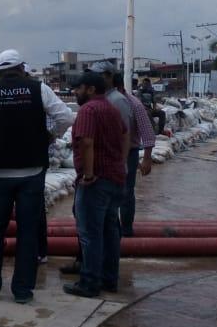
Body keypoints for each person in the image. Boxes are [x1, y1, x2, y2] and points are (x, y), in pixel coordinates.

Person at [0, 50, 73, 303]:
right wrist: (50, 137)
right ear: (21, 68)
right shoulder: (38, 89)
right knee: (28, 232)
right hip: (32, 172)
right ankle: (22, 290)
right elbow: (65, 117)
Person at [64, 71, 127, 299]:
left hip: (96, 181)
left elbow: (87, 142)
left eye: (78, 88)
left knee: (90, 233)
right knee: (110, 232)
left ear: (90, 89)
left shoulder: (88, 110)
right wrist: (119, 162)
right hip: (115, 177)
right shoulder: (111, 108)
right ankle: (110, 279)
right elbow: (125, 134)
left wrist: (88, 175)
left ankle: (89, 282)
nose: (75, 92)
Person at [113, 72, 156, 236]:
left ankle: (126, 230)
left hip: (129, 152)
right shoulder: (105, 102)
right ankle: (112, 230)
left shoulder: (134, 104)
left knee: (125, 191)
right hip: (110, 153)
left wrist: (146, 159)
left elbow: (148, 133)